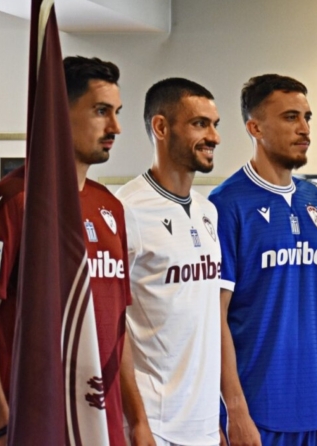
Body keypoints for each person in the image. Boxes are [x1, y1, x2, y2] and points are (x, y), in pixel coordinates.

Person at [0, 56, 152, 446]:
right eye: (101, 111)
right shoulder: (12, 202)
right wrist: (2, 424)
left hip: (104, 429)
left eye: (117, 113)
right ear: (58, 114)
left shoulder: (110, 207)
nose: (115, 127)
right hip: (36, 428)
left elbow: (117, 329)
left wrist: (137, 420)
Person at [208, 74, 317, 446]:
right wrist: (235, 410)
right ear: (255, 128)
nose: (304, 128)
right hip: (255, 412)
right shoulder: (225, 204)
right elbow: (214, 315)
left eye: (307, 117)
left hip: (314, 410)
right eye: (291, 117)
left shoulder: (315, 200)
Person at [115, 78, 223, 446]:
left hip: (203, 425)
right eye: (200, 124)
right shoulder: (126, 209)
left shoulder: (208, 211)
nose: (214, 137)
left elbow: (207, 316)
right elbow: (112, 326)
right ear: (161, 127)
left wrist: (217, 414)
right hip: (154, 426)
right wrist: (137, 422)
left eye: (215, 125)